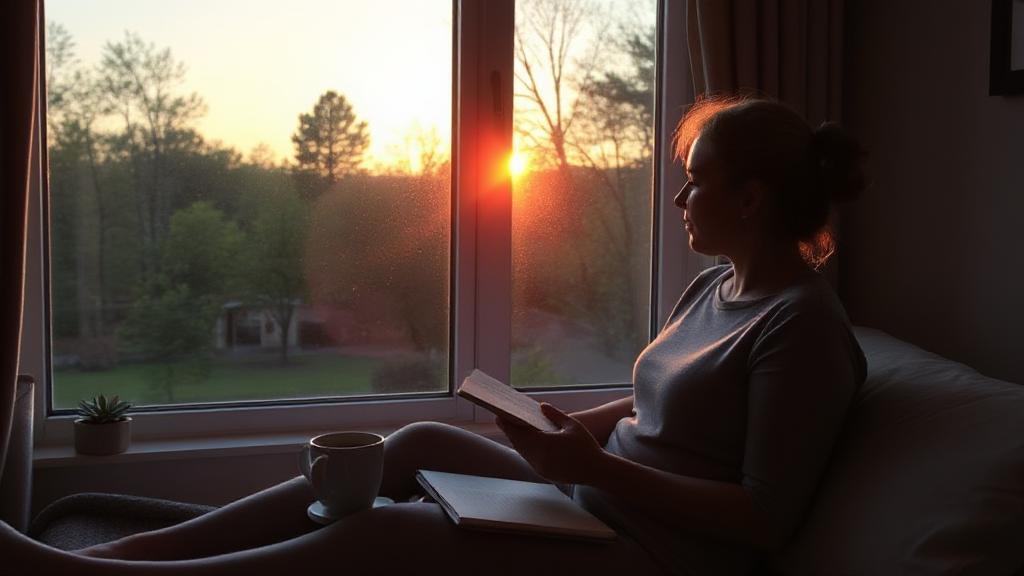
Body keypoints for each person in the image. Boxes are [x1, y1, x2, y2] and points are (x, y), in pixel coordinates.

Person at [73, 96, 866, 576]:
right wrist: (564, 430)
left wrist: (599, 472)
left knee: (382, 529)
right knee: (415, 440)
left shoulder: (802, 327)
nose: (679, 195)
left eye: (697, 177)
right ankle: (137, 551)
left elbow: (765, 519)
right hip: (590, 497)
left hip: (652, 553)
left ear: (754, 198)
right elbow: (655, 405)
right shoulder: (714, 287)